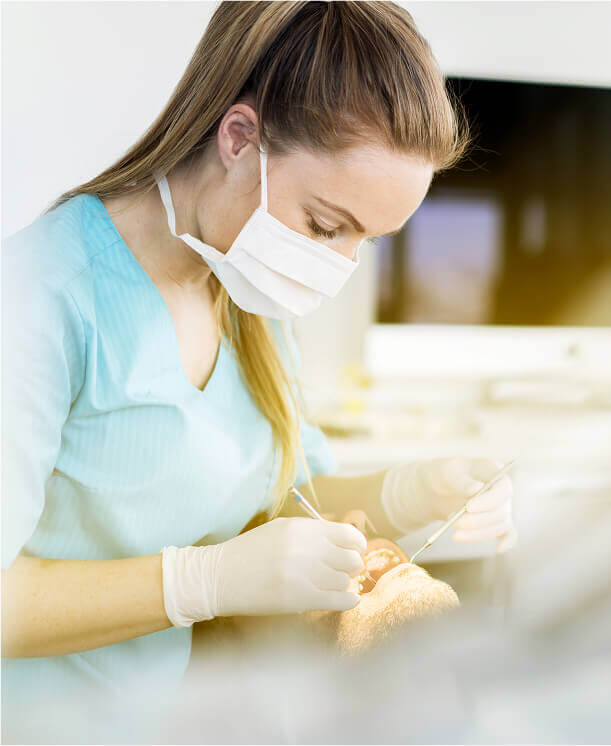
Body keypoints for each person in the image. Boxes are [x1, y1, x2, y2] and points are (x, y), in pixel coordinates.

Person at [1, 0, 517, 718]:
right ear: (240, 138)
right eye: (327, 225)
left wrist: (408, 493)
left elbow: (282, 498)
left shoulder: (245, 289)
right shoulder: (41, 295)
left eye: (365, 241)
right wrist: (198, 584)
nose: (335, 265)